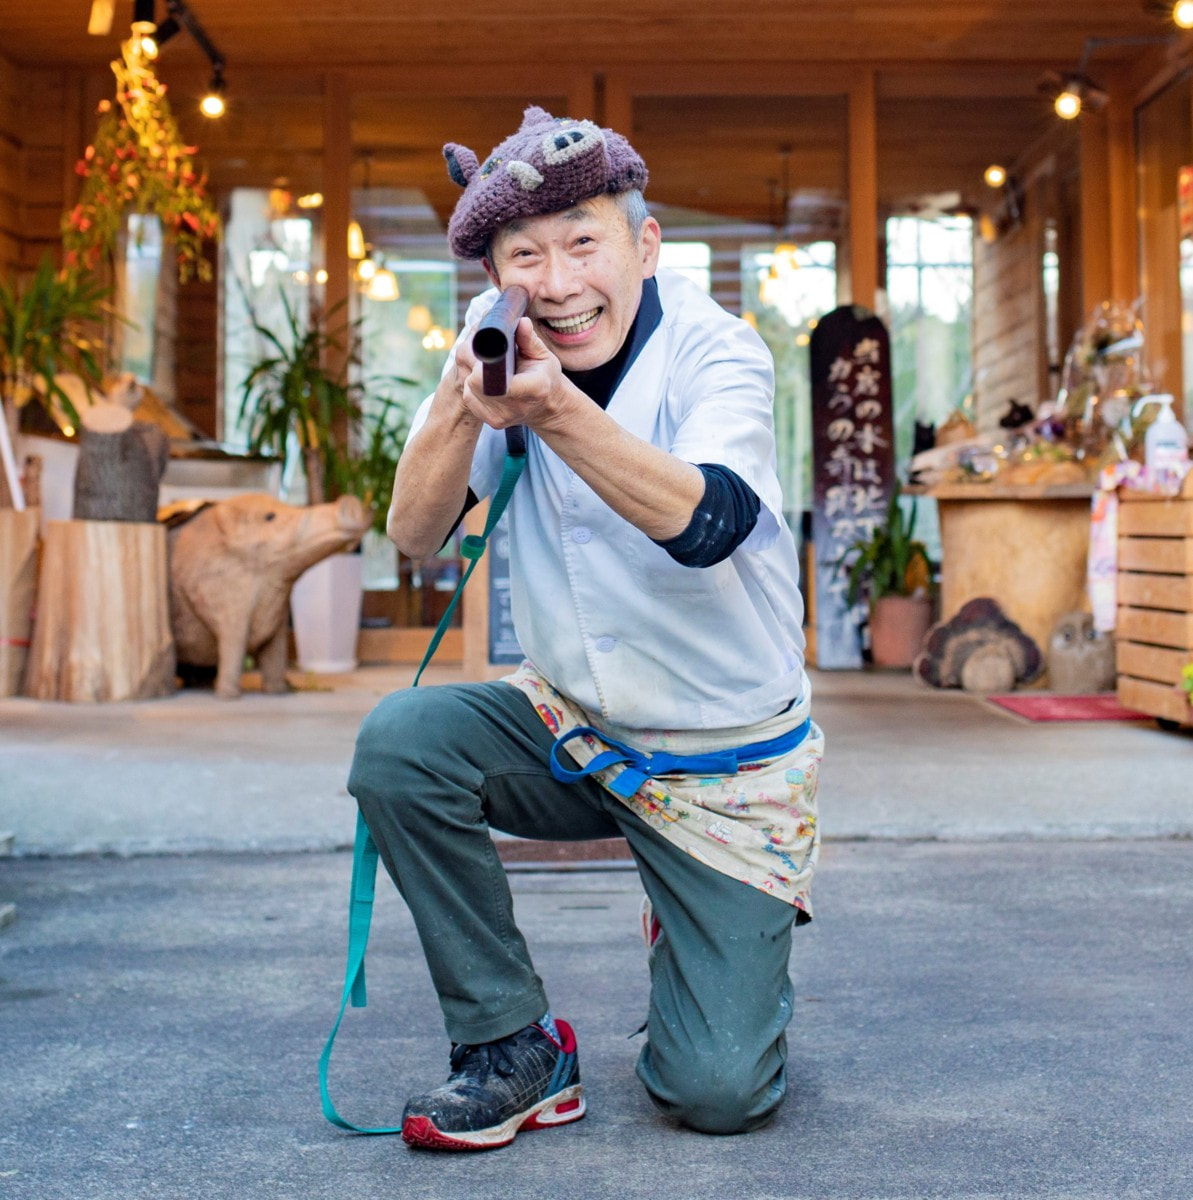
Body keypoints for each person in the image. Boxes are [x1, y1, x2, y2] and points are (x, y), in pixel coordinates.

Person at [347, 105, 824, 1151]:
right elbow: (414, 534)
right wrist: (461, 401)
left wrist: (553, 408)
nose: (558, 283)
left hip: (721, 759)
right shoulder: (493, 355)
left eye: (582, 243)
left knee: (716, 1096)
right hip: (571, 729)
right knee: (401, 745)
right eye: (526, 256)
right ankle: (511, 1045)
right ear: (495, 276)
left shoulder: (716, 350)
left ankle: (702, 934)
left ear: (643, 245)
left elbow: (707, 524)